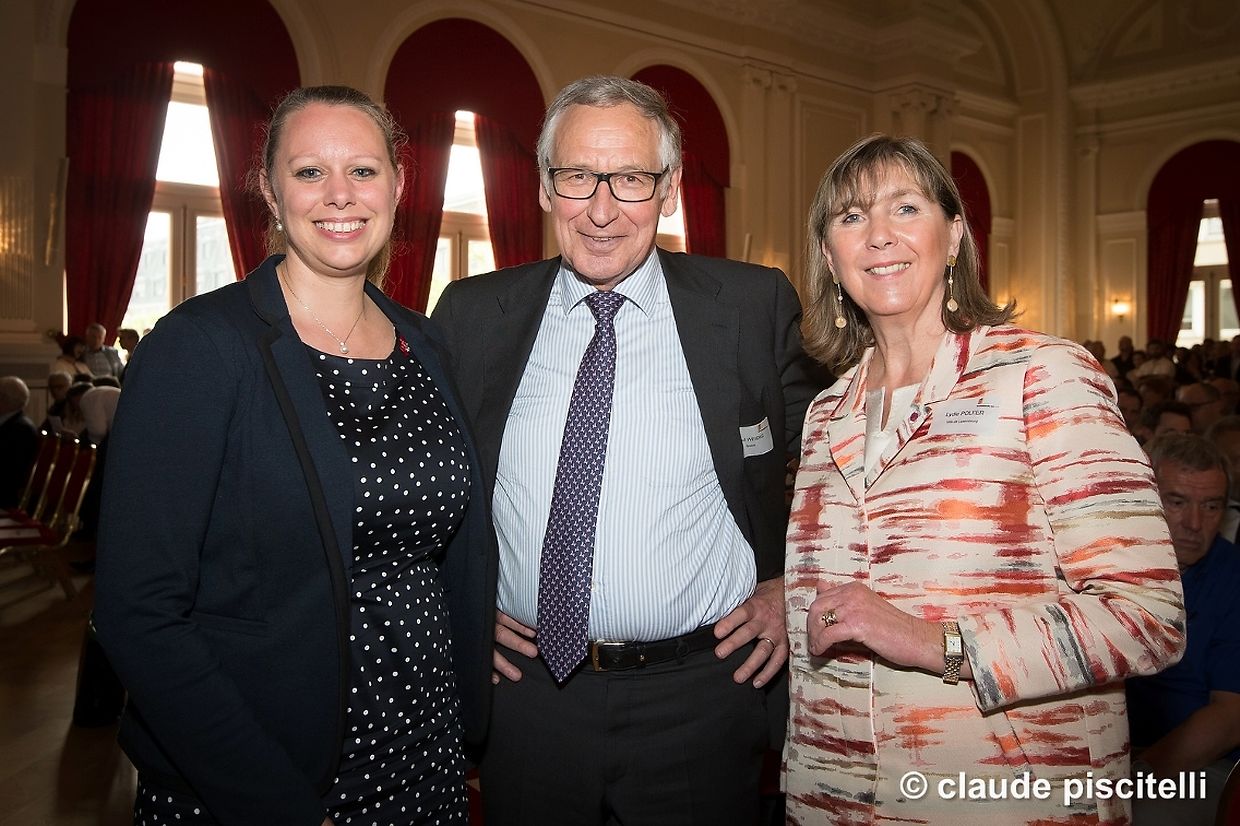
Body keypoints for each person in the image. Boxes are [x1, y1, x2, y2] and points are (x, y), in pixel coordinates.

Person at [93, 85, 495, 825]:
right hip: (266, 769)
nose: (339, 195)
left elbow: (454, 545)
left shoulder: (428, 343)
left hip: (428, 750)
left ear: (400, 186)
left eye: (364, 171)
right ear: (269, 192)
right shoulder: (199, 348)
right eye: (310, 172)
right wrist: (269, 799)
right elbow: (138, 613)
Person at [430, 74, 819, 825]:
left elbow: (843, 470)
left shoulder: (748, 307)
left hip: (703, 698)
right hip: (525, 700)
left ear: (669, 189)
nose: (602, 210)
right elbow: (429, 492)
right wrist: (459, 608)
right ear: (545, 188)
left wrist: (792, 587)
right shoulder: (471, 316)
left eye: (631, 179)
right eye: (577, 177)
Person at [784, 134, 1185, 823]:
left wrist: (931, 639)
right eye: (850, 218)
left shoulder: (1041, 375)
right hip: (834, 799)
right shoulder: (826, 412)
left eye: (905, 208)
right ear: (828, 254)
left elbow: (1145, 618)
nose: (878, 235)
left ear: (955, 235)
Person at [1128, 433, 1240, 825]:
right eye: (1177, 502)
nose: (1194, 524)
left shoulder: (1232, 578)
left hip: (1193, 766)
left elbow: (1230, 717)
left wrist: (1134, 778)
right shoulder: (1110, 563)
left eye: (1211, 506)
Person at [0, 376, 39, 509]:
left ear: (4, 399)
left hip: (8, 497)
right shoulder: (14, 423)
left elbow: (11, 471)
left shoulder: (20, 429)